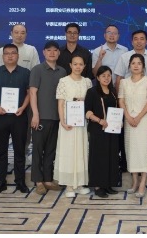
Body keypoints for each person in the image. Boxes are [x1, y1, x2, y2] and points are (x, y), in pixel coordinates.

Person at [0, 44, 31, 194]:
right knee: (1, 151)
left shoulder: (26, 72)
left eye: (13, 53)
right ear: (3, 56)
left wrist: (23, 107)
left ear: (18, 56)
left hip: (19, 117)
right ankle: (1, 182)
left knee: (20, 151)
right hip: (0, 116)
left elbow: (29, 93)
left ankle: (20, 182)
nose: (10, 56)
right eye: (7, 53)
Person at [29, 41, 67, 195]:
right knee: (38, 150)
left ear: (59, 53)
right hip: (41, 117)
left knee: (51, 150)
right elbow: (32, 93)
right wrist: (35, 114)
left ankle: (48, 179)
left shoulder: (62, 71)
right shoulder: (37, 69)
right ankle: (38, 181)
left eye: (55, 50)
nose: (52, 53)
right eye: (49, 50)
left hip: (57, 117)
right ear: (43, 52)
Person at [118, 53, 147, 198]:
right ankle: (134, 182)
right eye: (133, 63)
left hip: (143, 120)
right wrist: (128, 117)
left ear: (143, 66)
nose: (136, 66)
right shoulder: (124, 82)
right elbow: (121, 101)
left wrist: (138, 117)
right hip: (129, 120)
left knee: (143, 150)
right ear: (129, 66)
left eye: (139, 63)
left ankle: (142, 183)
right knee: (131, 150)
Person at [54, 55, 92, 197]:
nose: (78, 67)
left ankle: (80, 184)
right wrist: (62, 121)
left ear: (84, 66)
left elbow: (90, 102)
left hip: (81, 123)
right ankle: (69, 186)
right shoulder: (63, 81)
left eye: (80, 64)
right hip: (68, 123)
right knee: (68, 151)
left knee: (81, 151)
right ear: (70, 65)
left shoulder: (87, 82)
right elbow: (60, 103)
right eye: (75, 64)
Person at [85, 66, 121, 198]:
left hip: (112, 130)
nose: (106, 78)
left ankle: (108, 184)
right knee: (98, 157)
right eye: (103, 76)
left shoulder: (113, 92)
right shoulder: (92, 92)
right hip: (98, 130)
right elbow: (87, 112)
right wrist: (99, 120)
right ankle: (98, 186)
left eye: (108, 75)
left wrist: (119, 121)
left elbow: (117, 109)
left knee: (111, 157)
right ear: (98, 78)